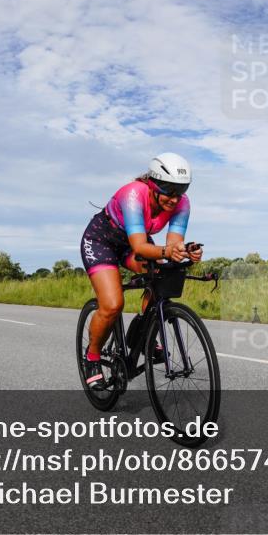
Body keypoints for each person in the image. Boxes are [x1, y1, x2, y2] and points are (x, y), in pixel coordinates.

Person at [79, 152, 202, 389]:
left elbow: (173, 244)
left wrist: (186, 251)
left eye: (181, 189)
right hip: (101, 241)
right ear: (153, 183)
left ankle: (142, 332)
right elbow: (139, 246)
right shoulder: (134, 193)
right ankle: (92, 358)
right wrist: (168, 252)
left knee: (162, 275)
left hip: (133, 243)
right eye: (168, 189)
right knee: (113, 304)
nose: (174, 198)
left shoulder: (182, 203)